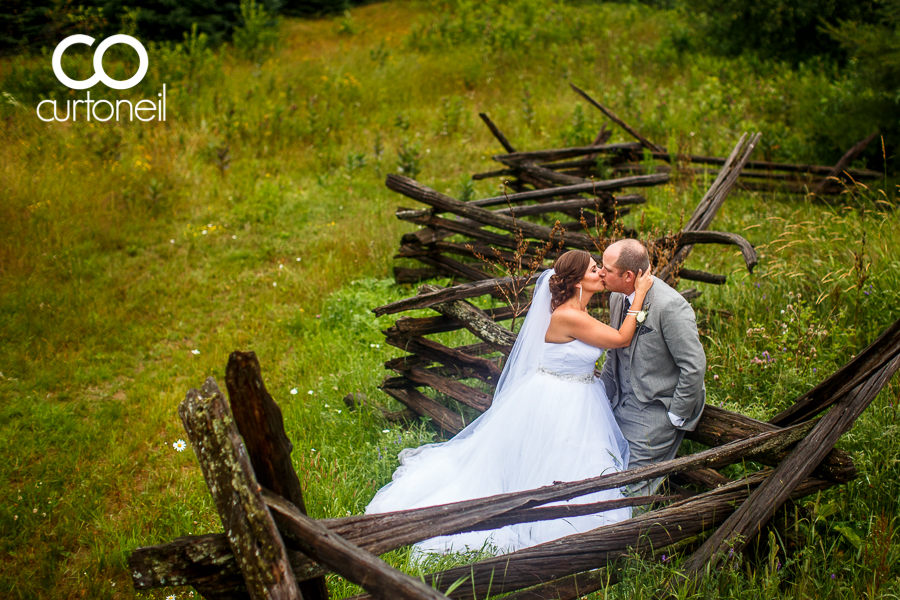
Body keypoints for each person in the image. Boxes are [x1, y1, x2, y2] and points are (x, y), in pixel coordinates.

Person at [365, 250, 653, 554]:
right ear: (578, 280)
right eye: (595, 270)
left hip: (580, 397)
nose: (601, 275)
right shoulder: (567, 315)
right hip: (558, 401)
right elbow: (621, 338)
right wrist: (640, 294)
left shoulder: (579, 312)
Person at [598, 239, 706, 497]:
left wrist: (675, 416)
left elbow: (694, 365)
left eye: (606, 269)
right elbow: (615, 354)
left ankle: (628, 536)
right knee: (600, 470)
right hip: (618, 404)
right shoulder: (617, 297)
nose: (600, 272)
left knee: (628, 491)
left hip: (654, 411)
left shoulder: (670, 306)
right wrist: (601, 398)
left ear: (627, 276)